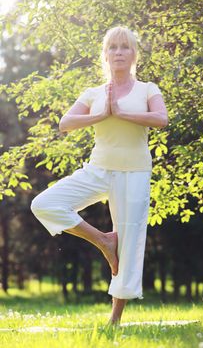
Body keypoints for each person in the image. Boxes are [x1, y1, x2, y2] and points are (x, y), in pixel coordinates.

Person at [31, 25, 168, 325]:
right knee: (44, 203)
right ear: (105, 55)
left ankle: (114, 320)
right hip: (98, 169)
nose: (119, 52)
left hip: (134, 172)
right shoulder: (93, 93)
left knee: (130, 242)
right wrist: (101, 114)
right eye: (113, 47)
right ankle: (104, 241)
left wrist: (121, 112)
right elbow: (65, 123)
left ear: (134, 54)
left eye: (125, 47)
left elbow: (161, 119)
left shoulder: (148, 89)